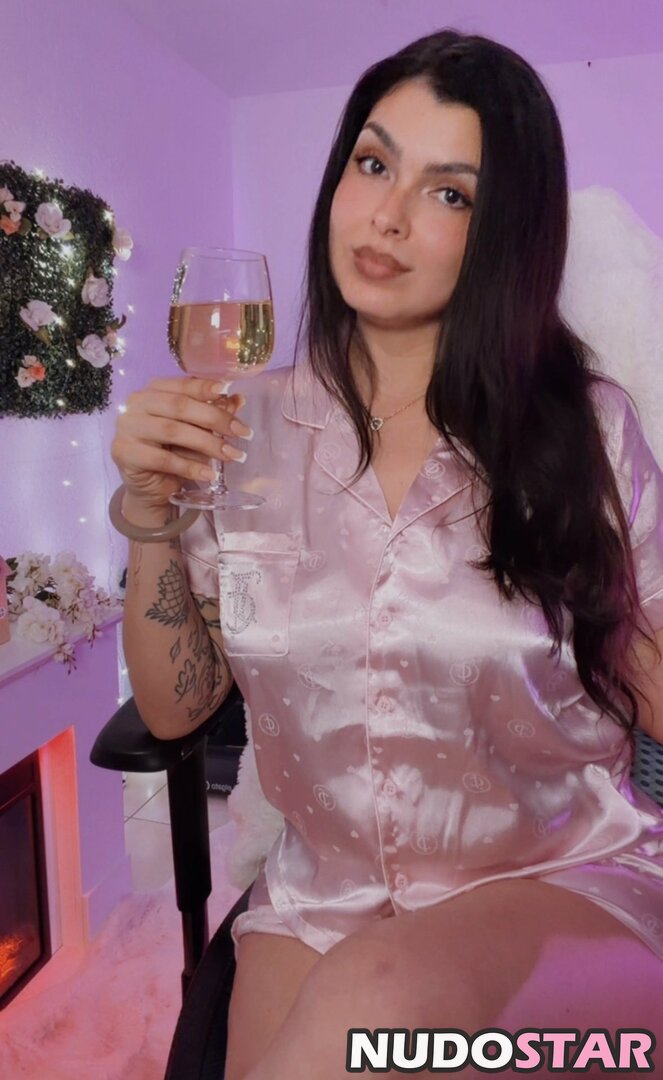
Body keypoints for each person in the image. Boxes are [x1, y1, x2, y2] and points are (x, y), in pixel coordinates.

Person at [110, 28, 663, 1080]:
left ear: (504, 232)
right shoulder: (239, 437)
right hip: (321, 902)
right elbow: (179, 710)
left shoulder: (586, 434)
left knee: (374, 1001)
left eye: (448, 192)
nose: (389, 215)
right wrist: (148, 513)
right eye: (373, 164)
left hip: (560, 888)